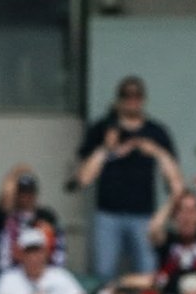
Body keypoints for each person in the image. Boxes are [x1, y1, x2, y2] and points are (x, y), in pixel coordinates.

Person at [76, 76, 180, 278]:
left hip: (143, 214)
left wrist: (156, 151)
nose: (132, 100)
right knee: (103, 274)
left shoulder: (156, 132)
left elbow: (174, 178)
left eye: (137, 95)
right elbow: (83, 178)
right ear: (119, 99)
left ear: (143, 99)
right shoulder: (102, 129)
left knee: (148, 271)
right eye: (126, 95)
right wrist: (106, 148)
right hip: (107, 214)